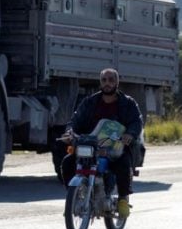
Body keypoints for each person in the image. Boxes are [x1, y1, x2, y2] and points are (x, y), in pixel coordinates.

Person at [61, 68, 143, 218]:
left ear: (117, 82)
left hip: (116, 148)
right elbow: (75, 120)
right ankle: (73, 197)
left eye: (111, 80)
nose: (107, 83)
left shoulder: (127, 103)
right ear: (100, 82)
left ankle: (123, 199)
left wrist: (129, 134)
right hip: (91, 147)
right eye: (104, 80)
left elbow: (136, 122)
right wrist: (70, 132)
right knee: (68, 162)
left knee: (123, 163)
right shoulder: (90, 102)